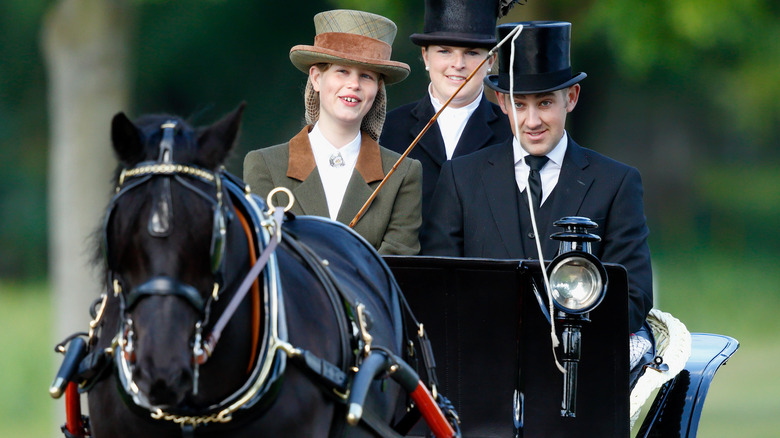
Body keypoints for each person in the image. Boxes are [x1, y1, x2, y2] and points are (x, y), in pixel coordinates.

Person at [421, 21, 653, 333]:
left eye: (544, 103)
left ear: (570, 98)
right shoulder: (461, 178)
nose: (532, 121)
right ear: (502, 103)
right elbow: (437, 286)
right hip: (482, 367)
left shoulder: (616, 183)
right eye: (519, 104)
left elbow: (634, 298)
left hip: (576, 370)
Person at [244, 9, 423, 255]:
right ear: (316, 78)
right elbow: (259, 256)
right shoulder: (264, 166)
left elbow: (397, 267)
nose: (354, 84)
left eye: (366, 76)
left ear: (378, 89)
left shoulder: (403, 174)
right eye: (342, 71)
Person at [379, 0, 519, 220]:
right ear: (426, 56)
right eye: (444, 51)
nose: (458, 64)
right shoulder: (387, 130)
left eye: (472, 53)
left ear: (490, 60)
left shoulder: (513, 133)